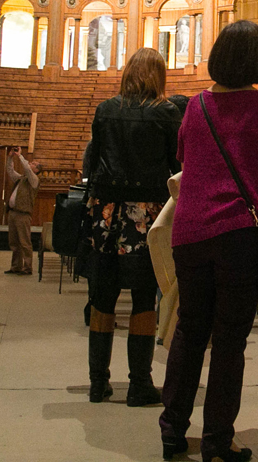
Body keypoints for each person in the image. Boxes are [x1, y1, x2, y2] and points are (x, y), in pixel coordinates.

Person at [158, 20, 258, 462]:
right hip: (238, 234)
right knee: (230, 340)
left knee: (189, 332)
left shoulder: (195, 106)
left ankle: (172, 430)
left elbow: (185, 161)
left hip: (191, 232)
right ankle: (217, 441)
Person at [85, 48, 181, 406]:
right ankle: (139, 384)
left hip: (106, 214)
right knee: (143, 297)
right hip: (147, 216)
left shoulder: (106, 109)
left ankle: (98, 383)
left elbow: (94, 160)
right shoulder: (166, 112)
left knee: (103, 296)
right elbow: (175, 166)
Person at [4, 147, 40, 275]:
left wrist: (20, 156)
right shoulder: (21, 179)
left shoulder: (34, 180)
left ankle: (27, 267)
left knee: (24, 242)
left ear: (37, 170)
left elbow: (27, 169)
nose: (31, 164)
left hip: (23, 214)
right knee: (14, 242)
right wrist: (10, 158)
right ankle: (16, 266)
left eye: (34, 164)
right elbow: (10, 171)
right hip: (13, 212)